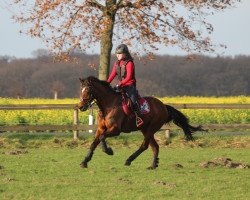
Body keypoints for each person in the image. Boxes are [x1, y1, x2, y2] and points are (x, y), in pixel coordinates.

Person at [107, 44, 143, 127]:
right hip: (121, 86)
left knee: (133, 101)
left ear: (125, 54)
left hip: (130, 86)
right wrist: (106, 83)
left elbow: (129, 77)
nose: (118, 55)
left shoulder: (129, 63)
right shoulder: (116, 63)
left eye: (120, 54)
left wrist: (120, 83)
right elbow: (113, 74)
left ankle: (138, 117)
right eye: (117, 54)